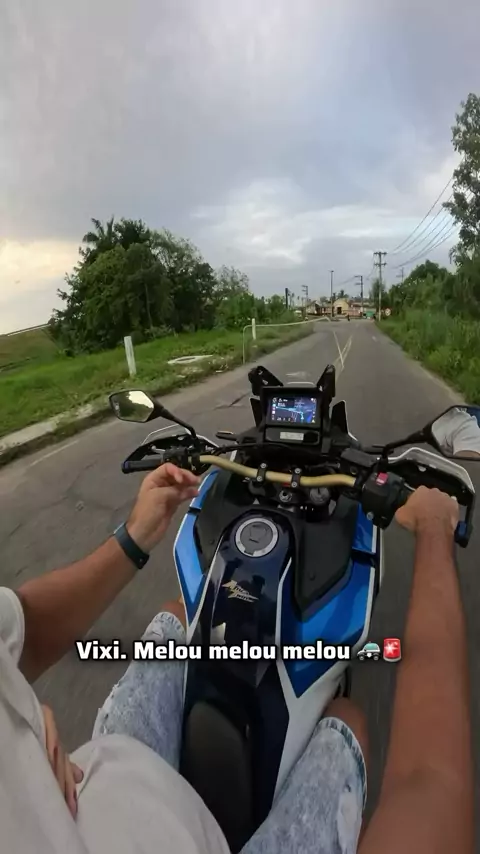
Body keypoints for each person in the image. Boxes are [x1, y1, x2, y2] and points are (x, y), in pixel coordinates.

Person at [0, 467, 473, 854]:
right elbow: (428, 792)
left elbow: (22, 628)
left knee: (175, 616)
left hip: (94, 784)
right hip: (112, 799)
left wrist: (135, 537)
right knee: (347, 719)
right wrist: (434, 531)